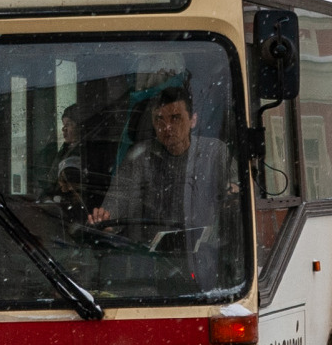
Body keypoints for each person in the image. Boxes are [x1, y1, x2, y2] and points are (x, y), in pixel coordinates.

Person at [88, 86, 235, 286]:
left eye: (175, 118)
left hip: (205, 260)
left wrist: (233, 193)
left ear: (193, 120)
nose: (167, 127)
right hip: (149, 265)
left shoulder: (215, 152)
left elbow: (238, 195)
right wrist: (105, 221)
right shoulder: (140, 157)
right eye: (159, 119)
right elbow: (117, 203)